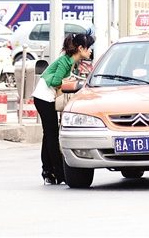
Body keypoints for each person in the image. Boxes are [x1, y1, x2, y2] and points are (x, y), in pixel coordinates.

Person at [32, 33, 95, 185]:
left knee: (49, 135)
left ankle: (48, 170)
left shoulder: (70, 61)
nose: (91, 51)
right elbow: (54, 82)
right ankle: (59, 172)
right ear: (80, 48)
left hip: (45, 98)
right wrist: (69, 80)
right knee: (52, 136)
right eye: (89, 47)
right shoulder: (65, 62)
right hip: (43, 98)